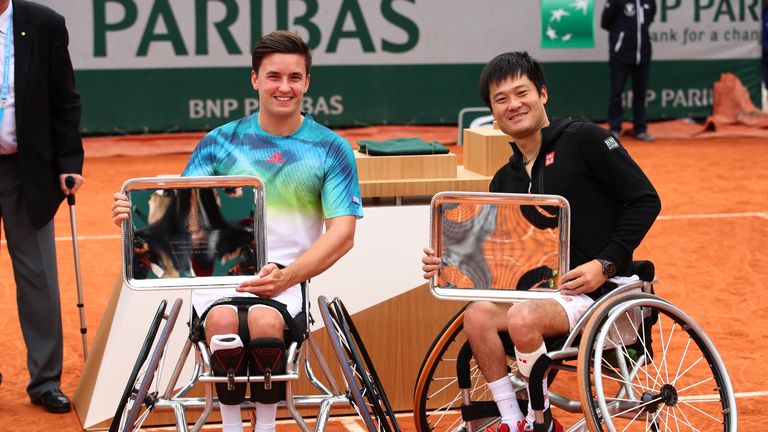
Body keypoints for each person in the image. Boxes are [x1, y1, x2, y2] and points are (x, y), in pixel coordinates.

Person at [112, 30, 363, 432]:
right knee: (225, 324)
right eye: (274, 76)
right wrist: (133, 216)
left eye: (294, 77)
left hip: (285, 280)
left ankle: (264, 428)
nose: (284, 87)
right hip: (217, 280)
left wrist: (288, 275)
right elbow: (179, 219)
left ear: (307, 82)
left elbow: (343, 234)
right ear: (255, 79)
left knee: (264, 326)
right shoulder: (217, 143)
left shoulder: (331, 148)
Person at [422, 52, 660, 432]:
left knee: (521, 315)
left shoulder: (585, 139)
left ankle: (541, 421)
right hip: (543, 296)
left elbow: (646, 200)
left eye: (522, 93)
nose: (513, 105)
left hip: (602, 292)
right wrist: (447, 263)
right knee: (477, 315)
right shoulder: (505, 180)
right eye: (501, 100)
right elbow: (503, 255)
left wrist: (605, 265)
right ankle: (514, 420)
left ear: (543, 93)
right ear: (493, 115)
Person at [0, 0, 84, 413]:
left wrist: (69, 163)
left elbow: (64, 101)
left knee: (39, 279)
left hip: (26, 169)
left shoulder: (44, 24)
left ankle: (45, 380)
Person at [602, 0, 657, 142]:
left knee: (640, 94)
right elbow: (605, 22)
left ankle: (640, 129)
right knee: (617, 92)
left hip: (643, 55)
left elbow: (648, 20)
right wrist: (621, 36)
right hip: (621, 54)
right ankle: (614, 128)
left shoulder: (650, 2)